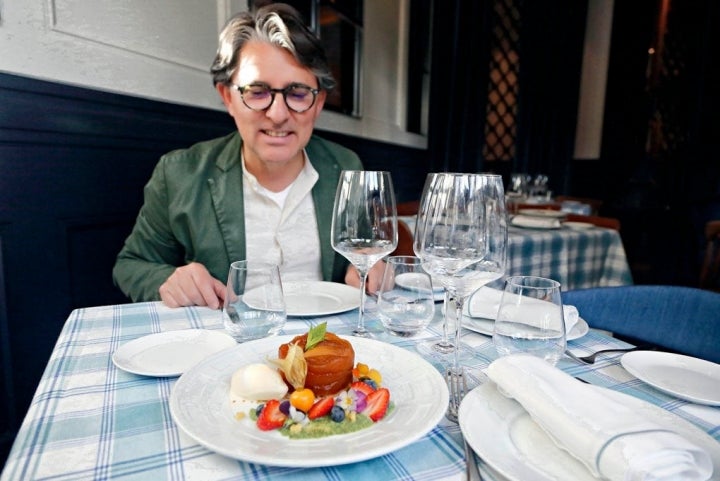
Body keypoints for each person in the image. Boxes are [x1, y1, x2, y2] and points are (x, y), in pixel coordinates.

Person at [113, 3, 381, 308]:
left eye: (297, 93)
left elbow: (363, 252)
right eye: (257, 91)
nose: (278, 115)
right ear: (228, 97)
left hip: (326, 344)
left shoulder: (347, 167)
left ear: (317, 103)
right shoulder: (178, 174)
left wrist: (366, 268)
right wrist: (168, 280)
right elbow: (131, 264)